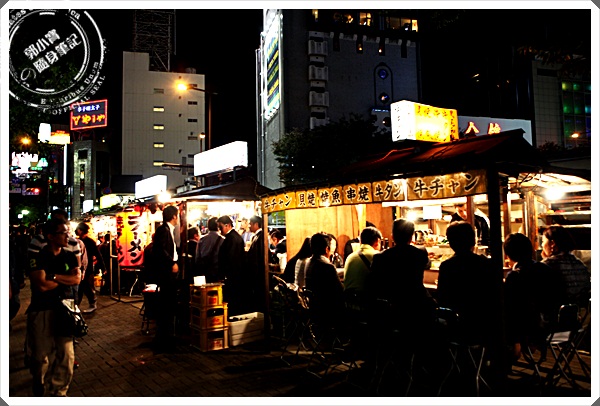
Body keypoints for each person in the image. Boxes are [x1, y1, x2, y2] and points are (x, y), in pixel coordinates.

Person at [436, 221, 505, 389]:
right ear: (473, 241)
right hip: (486, 326)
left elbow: (442, 299)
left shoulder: (447, 267)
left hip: (458, 329)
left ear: (450, 243)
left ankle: (440, 374)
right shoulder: (488, 265)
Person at [26, 218, 82, 396]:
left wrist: (54, 277)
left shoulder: (69, 256)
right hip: (42, 308)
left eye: (68, 232)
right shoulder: (38, 257)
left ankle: (59, 392)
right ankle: (39, 382)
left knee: (66, 354)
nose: (68, 236)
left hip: (65, 308)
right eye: (63, 233)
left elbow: (76, 279)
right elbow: (41, 285)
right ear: (50, 236)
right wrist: (65, 279)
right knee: (40, 355)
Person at [365, 219, 436, 332]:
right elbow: (427, 264)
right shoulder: (420, 253)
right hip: (417, 306)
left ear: (392, 236)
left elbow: (372, 282)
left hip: (391, 308)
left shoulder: (380, 257)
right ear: (412, 237)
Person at [503, 233, 564, 360]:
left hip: (531, 329)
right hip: (553, 326)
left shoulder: (515, 276)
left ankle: (512, 350)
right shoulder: (546, 269)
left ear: (508, 255)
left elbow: (511, 308)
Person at [540, 225, 591, 309]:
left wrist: (545, 261)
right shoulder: (579, 263)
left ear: (552, 244)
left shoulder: (546, 265)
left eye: (543, 241)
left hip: (556, 314)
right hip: (580, 314)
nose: (542, 245)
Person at [152, 205, 181, 352]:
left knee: (168, 306)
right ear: (174, 216)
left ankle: (166, 339)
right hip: (166, 274)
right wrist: (172, 262)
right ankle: (166, 341)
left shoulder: (168, 230)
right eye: (178, 215)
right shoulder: (163, 230)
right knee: (167, 307)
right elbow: (160, 250)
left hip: (168, 274)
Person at [304, 233, 346, 330]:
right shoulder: (327, 266)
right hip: (327, 308)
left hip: (314, 306)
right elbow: (340, 290)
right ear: (327, 249)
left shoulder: (309, 262)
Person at [217, 215, 248, 315]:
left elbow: (230, 259)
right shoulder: (233, 237)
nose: (219, 230)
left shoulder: (232, 238)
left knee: (232, 302)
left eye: (220, 227)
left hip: (233, 277)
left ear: (228, 225)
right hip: (235, 276)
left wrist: (224, 275)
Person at [75, 222, 106, 313]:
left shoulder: (90, 242)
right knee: (80, 287)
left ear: (81, 230)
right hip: (79, 267)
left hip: (87, 268)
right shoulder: (77, 241)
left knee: (86, 286)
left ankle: (91, 303)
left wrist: (103, 268)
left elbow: (98, 255)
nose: (77, 231)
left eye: (78, 229)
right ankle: (77, 305)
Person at [343, 226, 382, 297]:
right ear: (377, 241)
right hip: (367, 300)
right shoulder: (377, 256)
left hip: (349, 300)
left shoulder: (350, 257)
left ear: (360, 241)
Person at [246, 215, 266, 311]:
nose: (249, 226)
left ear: (256, 224)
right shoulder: (257, 236)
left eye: (250, 224)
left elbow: (259, 256)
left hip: (258, 273)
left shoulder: (261, 236)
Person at [195, 217, 224, 282]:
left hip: (204, 272)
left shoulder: (202, 240)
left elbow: (197, 258)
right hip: (217, 272)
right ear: (218, 227)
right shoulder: (223, 240)